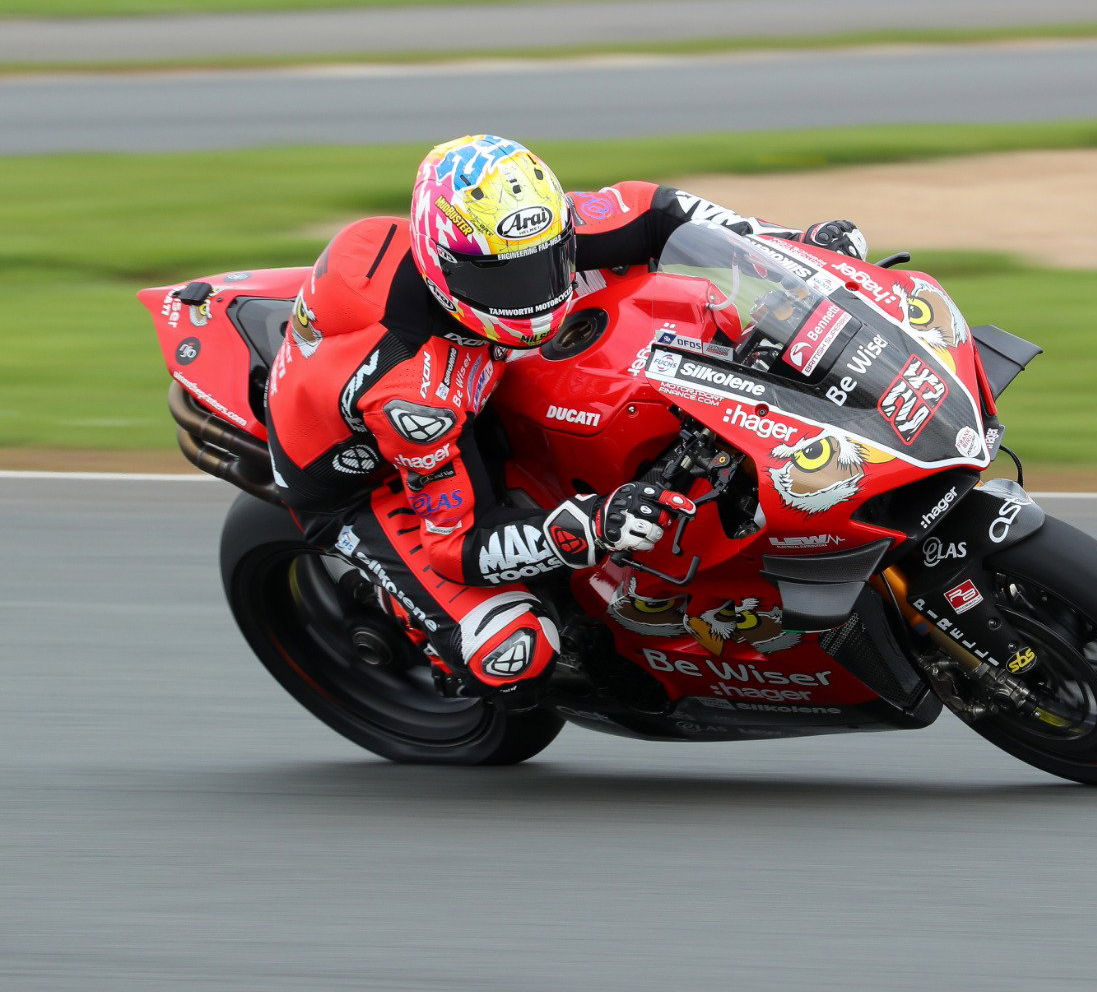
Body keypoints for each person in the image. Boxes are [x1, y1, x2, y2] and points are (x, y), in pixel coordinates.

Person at [265, 133, 866, 706]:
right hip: (366, 479)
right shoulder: (413, 397)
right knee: (512, 654)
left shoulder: (519, 235)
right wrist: (594, 526)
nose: (533, 294)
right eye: (501, 278)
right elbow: (456, 544)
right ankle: (477, 641)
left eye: (546, 263)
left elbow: (656, 209)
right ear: (439, 262)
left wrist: (789, 248)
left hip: (467, 370)